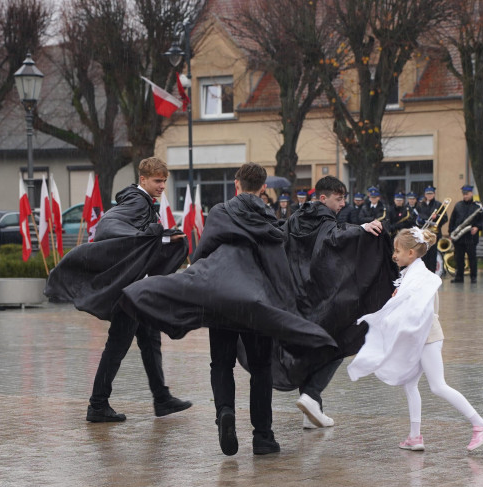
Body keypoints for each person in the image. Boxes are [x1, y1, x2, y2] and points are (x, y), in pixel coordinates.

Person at [119, 163, 336, 456]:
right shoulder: (269, 220)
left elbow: (203, 253)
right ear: (263, 188)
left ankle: (225, 413)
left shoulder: (220, 212)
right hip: (255, 305)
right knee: (261, 369)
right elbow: (278, 265)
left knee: (220, 364)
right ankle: (263, 437)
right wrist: (284, 304)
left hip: (220, 298)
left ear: (236, 184)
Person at [44, 157, 192, 423]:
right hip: (130, 292)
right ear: (143, 179)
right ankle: (98, 405)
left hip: (135, 287)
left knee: (150, 340)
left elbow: (139, 236)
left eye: (164, 181)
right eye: (157, 181)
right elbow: (109, 227)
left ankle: (161, 398)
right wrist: (159, 234)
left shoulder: (142, 202)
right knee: (117, 347)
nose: (161, 186)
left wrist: (165, 236)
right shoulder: (137, 201)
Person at [347, 227, 483, 452]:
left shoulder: (421, 277)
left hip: (428, 337)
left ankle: (480, 424)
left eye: (397, 251)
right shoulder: (412, 274)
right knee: (410, 385)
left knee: (438, 386)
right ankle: (415, 437)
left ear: (411, 253)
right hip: (421, 337)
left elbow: (419, 310)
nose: (394, 255)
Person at [279, 175, 391, 430]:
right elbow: (332, 238)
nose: (342, 204)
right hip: (320, 298)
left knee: (311, 349)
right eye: (338, 199)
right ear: (322, 198)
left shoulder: (296, 218)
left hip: (297, 297)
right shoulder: (323, 219)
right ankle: (312, 395)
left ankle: (312, 408)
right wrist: (362, 229)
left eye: (343, 199)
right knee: (338, 343)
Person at [448, 185, 483, 284]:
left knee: (472, 258)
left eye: (467, 194)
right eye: (464, 194)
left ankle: (473, 277)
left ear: (471, 193)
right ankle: (459, 277)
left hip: (471, 236)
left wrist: (477, 227)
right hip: (459, 237)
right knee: (459, 258)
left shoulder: (477, 206)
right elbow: (452, 220)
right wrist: (451, 233)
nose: (465, 196)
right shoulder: (458, 205)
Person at [416, 186, 448, 273]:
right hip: (423, 233)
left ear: (434, 194)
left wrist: (436, 217)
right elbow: (417, 217)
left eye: (431, 193)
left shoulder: (438, 205)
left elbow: (445, 218)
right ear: (425, 194)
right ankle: (424, 274)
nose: (429, 195)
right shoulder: (420, 205)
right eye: (427, 194)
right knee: (423, 255)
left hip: (434, 234)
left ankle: (432, 274)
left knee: (432, 256)